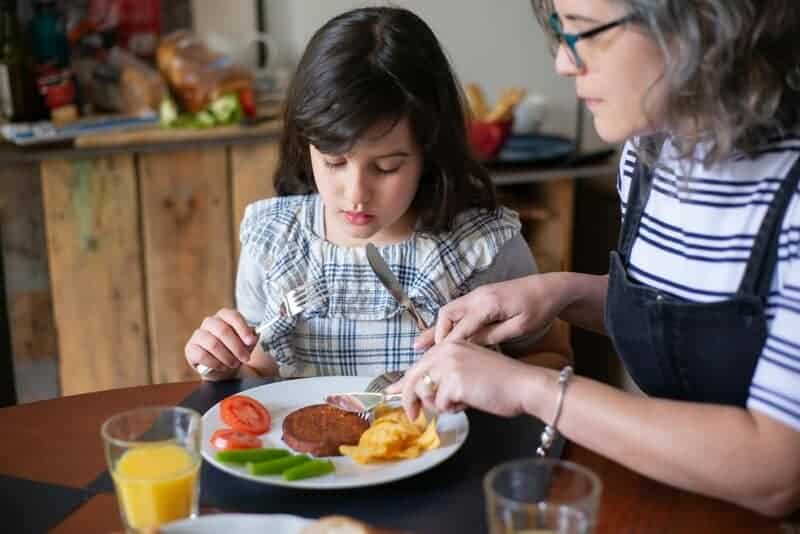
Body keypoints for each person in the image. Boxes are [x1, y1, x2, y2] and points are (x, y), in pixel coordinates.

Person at [390, 0, 800, 517]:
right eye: (562, 31)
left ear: (700, 24)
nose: (564, 62)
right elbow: (691, 316)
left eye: (584, 31)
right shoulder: (650, 154)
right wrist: (557, 293)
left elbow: (776, 470)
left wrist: (529, 388)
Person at [183, 7, 570, 380]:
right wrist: (222, 365)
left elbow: (553, 357)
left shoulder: (484, 248)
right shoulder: (274, 241)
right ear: (306, 144)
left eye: (387, 167)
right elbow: (258, 372)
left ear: (429, 150)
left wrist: (492, 378)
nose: (356, 194)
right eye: (335, 162)